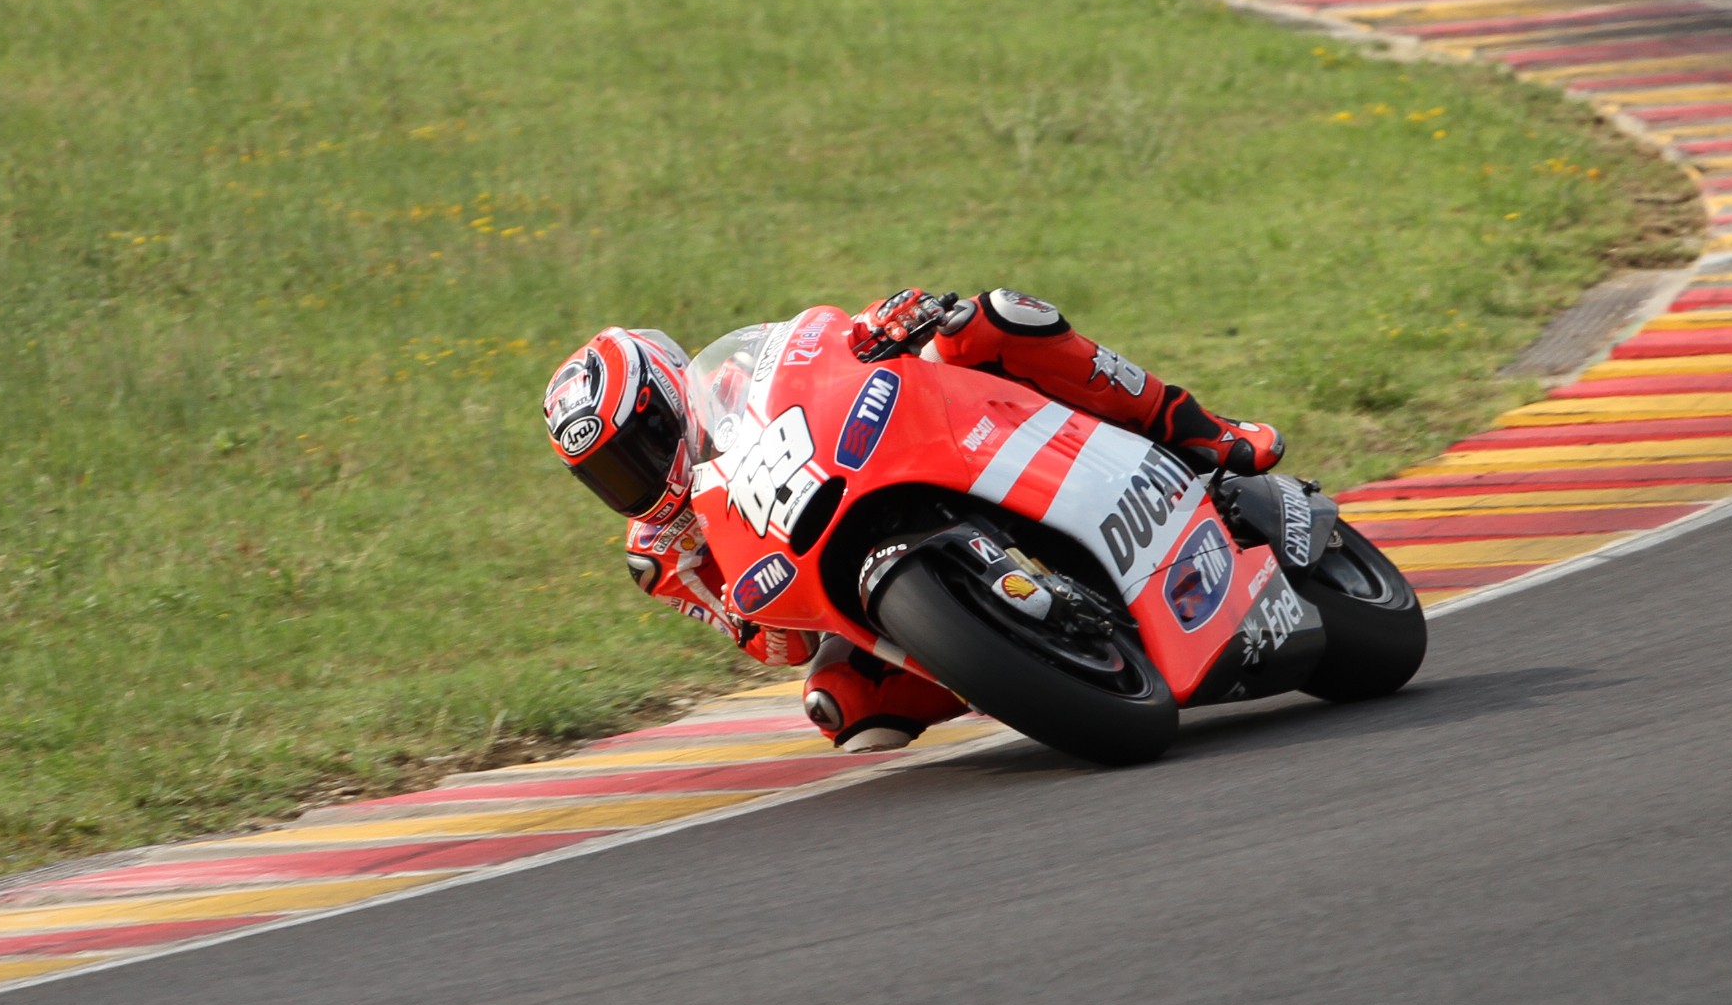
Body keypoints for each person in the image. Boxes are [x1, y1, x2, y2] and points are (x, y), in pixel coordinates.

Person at [541, 289, 1283, 752]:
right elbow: (781, 649)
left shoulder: (734, 381)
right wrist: (737, 602)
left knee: (996, 317)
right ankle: (1010, 661)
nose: (637, 476)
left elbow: (822, 346)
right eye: (611, 473)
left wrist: (887, 319)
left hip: (897, 448)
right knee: (842, 707)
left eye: (641, 445)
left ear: (673, 392)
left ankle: (1198, 428)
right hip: (835, 585)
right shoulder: (660, 556)